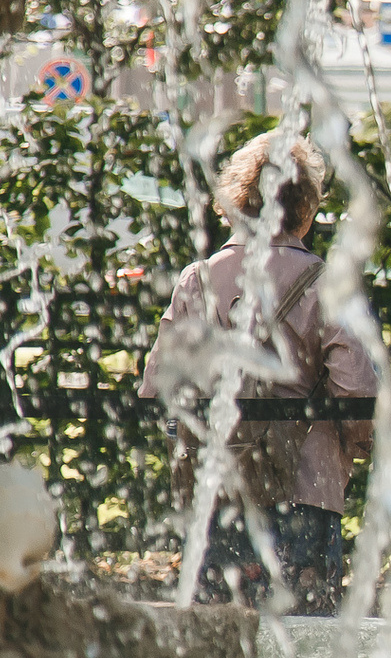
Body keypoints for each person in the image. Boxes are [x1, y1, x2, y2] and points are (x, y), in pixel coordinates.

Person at [142, 130, 377, 612]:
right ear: (306, 212)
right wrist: (356, 445)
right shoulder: (327, 285)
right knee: (306, 648)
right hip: (307, 488)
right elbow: (356, 394)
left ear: (235, 205)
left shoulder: (198, 279)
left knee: (220, 649)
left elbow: (159, 389)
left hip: (220, 486)